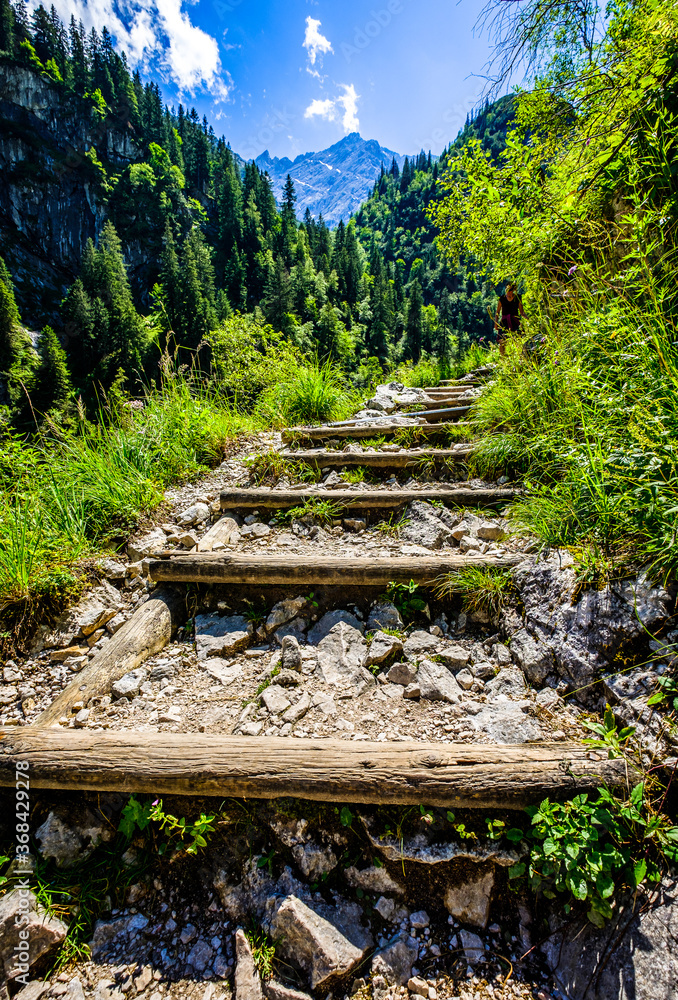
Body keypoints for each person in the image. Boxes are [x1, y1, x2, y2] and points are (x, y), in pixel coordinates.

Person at [494, 282, 526, 355]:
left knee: (518, 339)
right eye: (507, 289)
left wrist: (528, 319)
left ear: (513, 290)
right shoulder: (502, 299)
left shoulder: (518, 298)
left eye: (510, 290)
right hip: (504, 322)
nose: (509, 291)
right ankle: (503, 357)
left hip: (515, 321)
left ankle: (519, 356)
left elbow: (522, 312)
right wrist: (496, 323)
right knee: (502, 341)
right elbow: (497, 312)